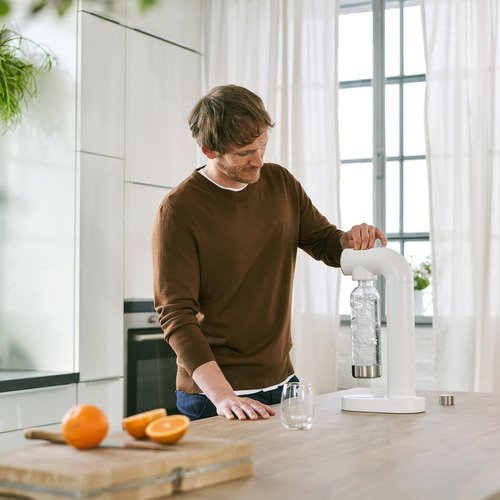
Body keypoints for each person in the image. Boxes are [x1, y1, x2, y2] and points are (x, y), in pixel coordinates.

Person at [152, 84, 387, 422]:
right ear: (209, 151)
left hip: (281, 382)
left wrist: (352, 240)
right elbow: (175, 315)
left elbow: (324, 242)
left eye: (262, 145)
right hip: (213, 396)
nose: (259, 160)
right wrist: (223, 397)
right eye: (245, 152)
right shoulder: (179, 210)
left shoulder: (280, 184)